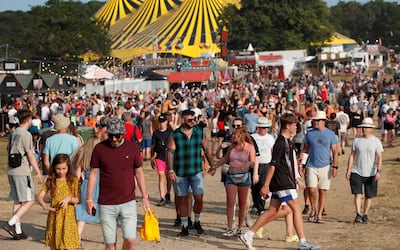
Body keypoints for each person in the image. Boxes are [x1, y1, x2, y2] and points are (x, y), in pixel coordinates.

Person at [239, 113, 319, 250]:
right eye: (294, 125)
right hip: (283, 182)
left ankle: (249, 234)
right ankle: (302, 241)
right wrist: (266, 185)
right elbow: (273, 165)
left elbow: (288, 164)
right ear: (288, 126)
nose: (296, 127)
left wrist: (296, 179)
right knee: (296, 208)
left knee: (272, 210)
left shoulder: (287, 142)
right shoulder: (280, 143)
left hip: (284, 181)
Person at [86, 118, 151, 250]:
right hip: (106, 203)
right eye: (111, 135)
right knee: (110, 245)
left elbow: (139, 172)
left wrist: (145, 196)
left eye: (117, 135)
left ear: (123, 133)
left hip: (128, 202)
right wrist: (88, 199)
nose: (114, 139)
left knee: (130, 239)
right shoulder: (99, 149)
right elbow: (93, 174)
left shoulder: (132, 147)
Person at [166, 109, 215, 237]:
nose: (193, 122)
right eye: (190, 120)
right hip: (180, 172)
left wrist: (212, 165)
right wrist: (170, 170)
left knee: (199, 198)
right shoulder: (175, 134)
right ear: (183, 120)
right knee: (182, 199)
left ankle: (197, 221)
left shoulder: (199, 132)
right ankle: (184, 226)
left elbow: (207, 149)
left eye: (194, 119)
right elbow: (170, 153)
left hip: (196, 171)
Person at [3, 109, 44, 240]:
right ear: (28, 120)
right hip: (22, 170)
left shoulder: (13, 133)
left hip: (11, 169)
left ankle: (17, 230)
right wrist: (38, 172)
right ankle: (10, 223)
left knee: (17, 200)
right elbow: (30, 155)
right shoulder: (25, 134)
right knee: (30, 200)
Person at [209, 127, 257, 237]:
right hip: (231, 176)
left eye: (236, 135)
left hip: (244, 177)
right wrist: (215, 167)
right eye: (233, 134)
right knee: (230, 202)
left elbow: (253, 162)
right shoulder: (232, 146)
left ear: (242, 135)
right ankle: (229, 227)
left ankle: (240, 227)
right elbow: (225, 158)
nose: (233, 136)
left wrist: (248, 164)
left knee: (242, 203)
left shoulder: (249, 147)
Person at [301, 111, 338, 224]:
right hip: (311, 165)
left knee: (322, 191)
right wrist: (302, 164)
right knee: (311, 189)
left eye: (317, 120)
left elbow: (335, 151)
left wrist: (335, 166)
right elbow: (305, 149)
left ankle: (320, 214)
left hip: (325, 165)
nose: (315, 122)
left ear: (323, 121)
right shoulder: (310, 133)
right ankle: (313, 209)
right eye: (314, 120)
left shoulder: (331, 134)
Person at [37, 154, 81, 249]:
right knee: (54, 244)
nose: (61, 171)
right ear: (54, 168)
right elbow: (40, 196)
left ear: (68, 167)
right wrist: (44, 205)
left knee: (68, 245)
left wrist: (69, 199)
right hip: (55, 217)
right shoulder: (51, 180)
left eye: (64, 168)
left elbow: (78, 199)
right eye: (58, 169)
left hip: (68, 218)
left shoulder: (73, 180)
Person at [346, 118, 383, 223]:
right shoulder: (357, 140)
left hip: (371, 172)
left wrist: (378, 171)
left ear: (371, 129)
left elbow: (379, 157)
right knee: (357, 193)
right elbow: (352, 155)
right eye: (363, 127)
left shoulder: (376, 141)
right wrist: (349, 169)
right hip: (357, 170)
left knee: (369, 195)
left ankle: (365, 214)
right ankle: (358, 213)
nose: (364, 129)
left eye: (367, 127)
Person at [73, 135, 101, 240]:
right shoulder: (101, 157)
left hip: (85, 186)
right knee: (103, 212)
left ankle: (77, 237)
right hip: (99, 186)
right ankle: (109, 238)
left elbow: (77, 175)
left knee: (82, 213)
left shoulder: (83, 157)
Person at [250, 117, 275, 215]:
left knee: (263, 185)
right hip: (254, 164)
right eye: (262, 127)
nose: (264, 130)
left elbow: (272, 150)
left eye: (266, 128)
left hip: (266, 164)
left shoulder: (270, 138)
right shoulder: (253, 137)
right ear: (258, 127)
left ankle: (261, 207)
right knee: (254, 187)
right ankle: (256, 204)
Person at [151, 113, 172, 206]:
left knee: (168, 177)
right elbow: (153, 146)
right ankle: (162, 197)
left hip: (169, 157)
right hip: (159, 157)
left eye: (163, 121)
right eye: (160, 122)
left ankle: (168, 193)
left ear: (166, 122)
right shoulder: (156, 133)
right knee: (161, 175)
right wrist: (152, 157)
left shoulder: (171, 132)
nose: (161, 123)